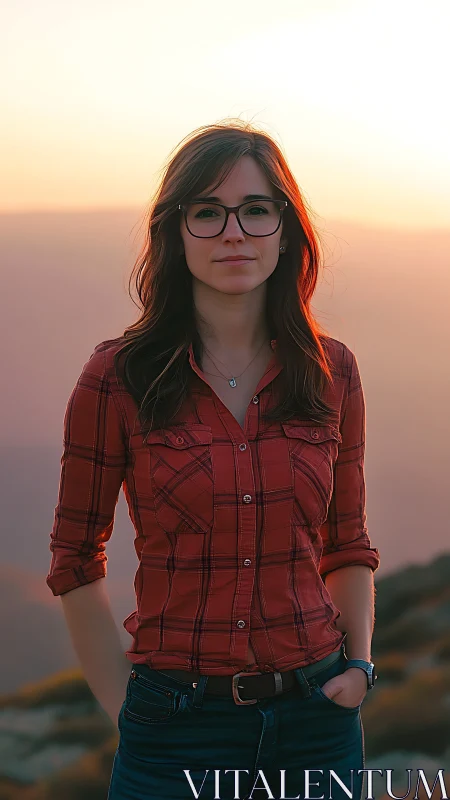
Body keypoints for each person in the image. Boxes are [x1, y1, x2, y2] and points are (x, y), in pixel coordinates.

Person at [46, 119, 380, 800]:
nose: (234, 232)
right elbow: (76, 559)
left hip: (319, 720)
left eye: (257, 210)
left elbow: (346, 542)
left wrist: (361, 669)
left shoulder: (331, 370)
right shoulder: (118, 377)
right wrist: (126, 712)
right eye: (208, 212)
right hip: (173, 727)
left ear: (287, 231)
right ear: (174, 232)